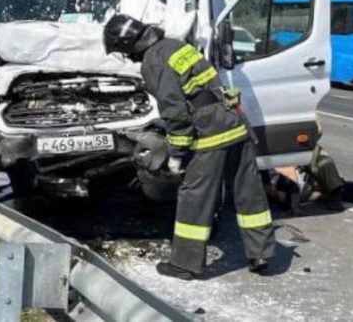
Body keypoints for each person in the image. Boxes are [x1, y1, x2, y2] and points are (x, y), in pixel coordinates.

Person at [103, 14, 274, 280]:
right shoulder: (176, 46)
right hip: (234, 122)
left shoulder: (153, 61)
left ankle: (185, 264)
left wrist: (176, 154)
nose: (127, 58)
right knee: (248, 192)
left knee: (195, 197)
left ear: (128, 45)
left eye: (123, 52)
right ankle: (261, 253)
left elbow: (176, 112)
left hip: (210, 134)